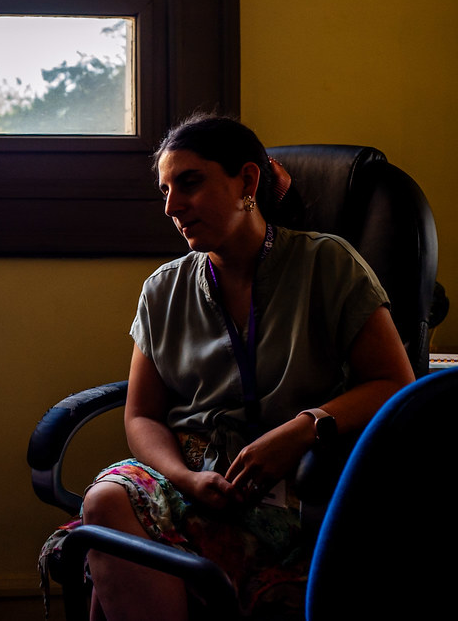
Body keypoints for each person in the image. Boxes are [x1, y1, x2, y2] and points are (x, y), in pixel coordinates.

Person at [74, 114, 415, 620]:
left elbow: (395, 383)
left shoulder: (328, 264)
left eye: (189, 183)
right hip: (187, 482)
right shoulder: (163, 289)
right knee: (103, 505)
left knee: (119, 567)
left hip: (299, 485)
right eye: (165, 190)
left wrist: (302, 430)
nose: (172, 207)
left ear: (248, 182)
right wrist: (186, 480)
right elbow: (142, 415)